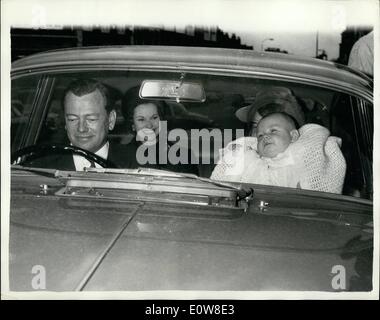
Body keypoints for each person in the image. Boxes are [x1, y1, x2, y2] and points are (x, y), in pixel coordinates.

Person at [211, 112, 346, 194]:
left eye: (273, 131)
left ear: (293, 136)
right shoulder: (248, 158)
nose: (265, 137)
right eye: (260, 136)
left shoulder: (301, 157)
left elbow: (317, 187)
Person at [31, 79, 132, 170]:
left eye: (91, 119)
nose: (81, 128)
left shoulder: (137, 162)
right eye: (72, 119)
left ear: (111, 120)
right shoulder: (39, 168)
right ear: (65, 122)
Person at [121, 86, 199, 175]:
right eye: (141, 119)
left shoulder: (185, 156)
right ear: (132, 125)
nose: (149, 125)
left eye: (154, 118)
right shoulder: (120, 156)